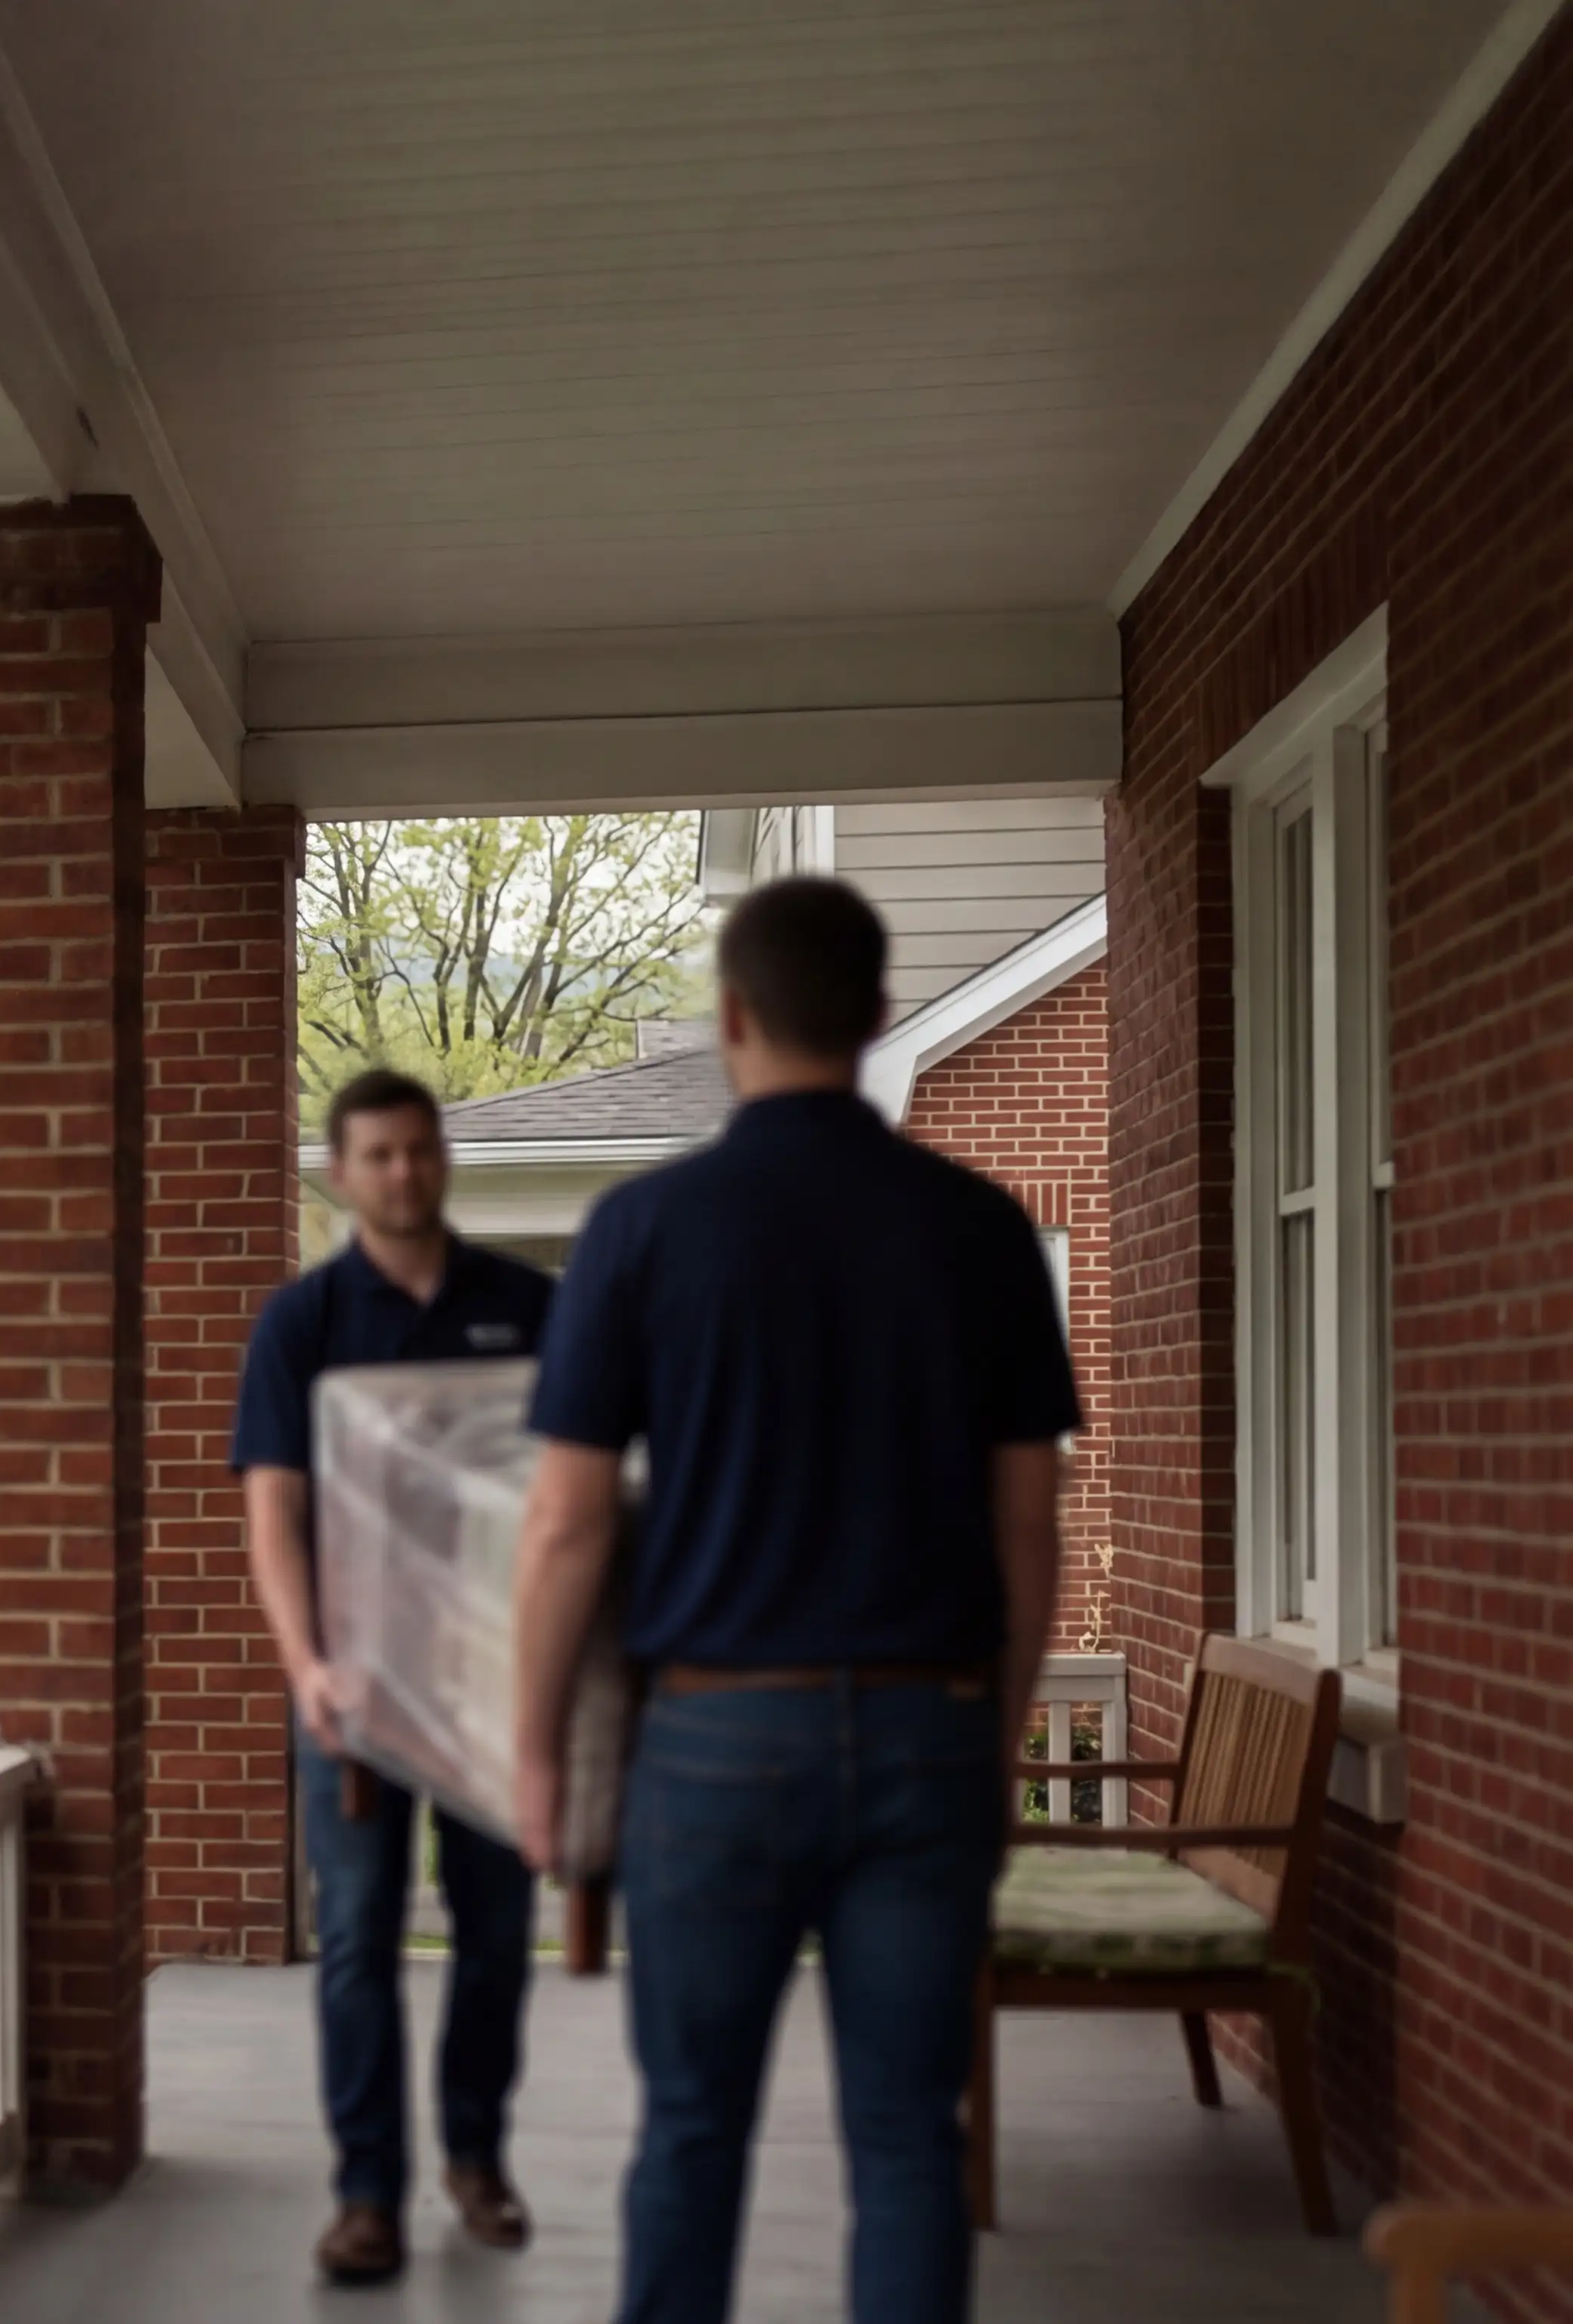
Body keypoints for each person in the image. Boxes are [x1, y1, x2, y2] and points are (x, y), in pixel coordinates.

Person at [508, 877, 1077, 2324]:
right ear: (882, 1018)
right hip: (929, 1735)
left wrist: (527, 1757)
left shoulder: (640, 1230)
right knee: (905, 2146)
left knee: (693, 2136)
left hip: (711, 1750)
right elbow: (1029, 1524)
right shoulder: (985, 1231)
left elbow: (568, 1527)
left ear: (734, 1016)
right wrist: (993, 1741)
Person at [233, 1067, 554, 2285]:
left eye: (420, 1151)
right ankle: (368, 2194)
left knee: (495, 1933)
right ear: (339, 1172)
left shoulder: (529, 1308)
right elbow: (273, 1511)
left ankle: (475, 2157)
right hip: (354, 1691)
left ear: (441, 1160)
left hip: (493, 1685)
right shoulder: (305, 1323)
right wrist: (304, 1663)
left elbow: (578, 1493)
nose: (403, 1173)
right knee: (361, 1938)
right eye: (377, 1156)